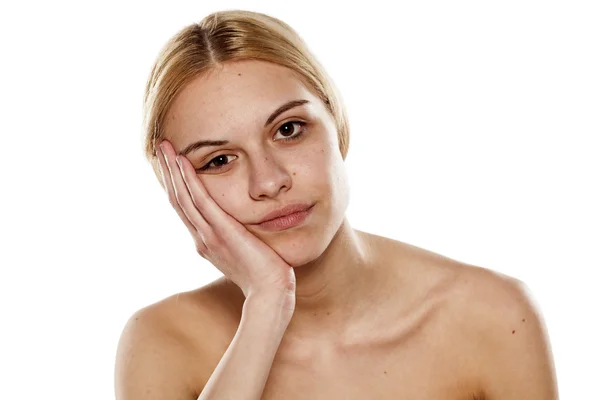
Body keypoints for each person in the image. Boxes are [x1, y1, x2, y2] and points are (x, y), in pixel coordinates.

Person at [114, 9, 558, 400]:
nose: (269, 181)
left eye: (288, 130)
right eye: (219, 160)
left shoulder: (492, 315)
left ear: (337, 123)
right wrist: (267, 304)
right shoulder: (162, 343)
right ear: (178, 189)